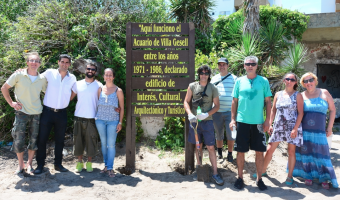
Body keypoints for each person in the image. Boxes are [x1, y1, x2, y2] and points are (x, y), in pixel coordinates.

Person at [230, 56, 272, 191]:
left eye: (253, 64)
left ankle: (259, 179)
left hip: (259, 123)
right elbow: (234, 101)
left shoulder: (263, 81)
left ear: (256, 66)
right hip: (242, 121)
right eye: (247, 64)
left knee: (260, 152)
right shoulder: (239, 81)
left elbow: (268, 102)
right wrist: (232, 119)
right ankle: (240, 178)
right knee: (240, 151)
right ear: (244, 66)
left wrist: (267, 120)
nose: (250, 66)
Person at [1, 52, 47, 174]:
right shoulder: (19, 75)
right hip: (21, 112)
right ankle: (20, 165)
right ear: (27, 62)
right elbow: (4, 88)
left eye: (36, 61)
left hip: (36, 113)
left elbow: (49, 92)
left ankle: (30, 164)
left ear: (40, 64)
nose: (34, 63)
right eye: (31, 60)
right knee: (18, 140)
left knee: (33, 140)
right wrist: (12, 103)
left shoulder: (42, 79)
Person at [292, 72, 338, 189]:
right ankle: (308, 176)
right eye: (305, 81)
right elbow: (297, 113)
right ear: (303, 84)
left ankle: (324, 177)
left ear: (315, 80)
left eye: (311, 80)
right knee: (306, 154)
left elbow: (333, 110)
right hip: (305, 131)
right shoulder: (301, 95)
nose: (309, 83)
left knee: (322, 155)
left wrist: (330, 127)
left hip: (320, 132)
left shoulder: (324, 92)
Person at [34, 54, 77, 174]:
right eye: (62, 62)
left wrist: (67, 100)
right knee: (42, 139)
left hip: (62, 113)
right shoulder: (49, 72)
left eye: (67, 62)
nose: (64, 64)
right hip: (47, 112)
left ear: (69, 64)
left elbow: (75, 90)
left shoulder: (72, 78)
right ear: (58, 62)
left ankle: (58, 164)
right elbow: (36, 79)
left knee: (60, 140)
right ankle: (40, 165)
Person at [260, 73, 304, 185]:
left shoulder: (298, 95)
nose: (289, 81)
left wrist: (295, 128)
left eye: (292, 79)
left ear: (295, 82)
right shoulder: (278, 94)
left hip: (292, 126)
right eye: (287, 79)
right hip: (278, 126)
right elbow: (273, 111)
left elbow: (300, 113)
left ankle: (290, 177)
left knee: (291, 151)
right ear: (284, 80)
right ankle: (262, 171)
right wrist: (270, 124)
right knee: (269, 149)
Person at [184, 65, 224, 186]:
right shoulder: (192, 86)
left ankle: (215, 173)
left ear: (209, 75)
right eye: (202, 72)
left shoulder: (213, 88)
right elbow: (186, 101)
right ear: (199, 74)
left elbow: (217, 106)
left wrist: (207, 114)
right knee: (198, 146)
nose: (204, 75)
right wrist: (190, 114)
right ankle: (199, 169)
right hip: (195, 122)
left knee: (211, 147)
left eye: (206, 73)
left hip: (208, 122)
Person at [70, 61, 102, 173]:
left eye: (93, 69)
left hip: (92, 118)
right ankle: (79, 162)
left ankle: (89, 163)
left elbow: (102, 102)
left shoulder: (99, 85)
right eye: (88, 69)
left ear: (95, 72)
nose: (90, 71)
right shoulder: (77, 84)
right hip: (78, 116)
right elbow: (69, 98)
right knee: (78, 140)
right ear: (85, 70)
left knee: (91, 141)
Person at [95, 68, 124, 178]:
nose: (108, 76)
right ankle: (106, 166)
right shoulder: (100, 89)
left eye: (110, 75)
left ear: (113, 77)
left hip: (113, 121)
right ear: (103, 76)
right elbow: (99, 104)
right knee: (103, 144)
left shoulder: (118, 90)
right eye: (106, 74)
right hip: (100, 120)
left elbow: (121, 108)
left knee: (111, 144)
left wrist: (120, 122)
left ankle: (110, 168)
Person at [211, 58, 237, 162]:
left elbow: (237, 96)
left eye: (224, 64)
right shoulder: (214, 79)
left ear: (228, 65)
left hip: (230, 113)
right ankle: (220, 153)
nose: (222, 67)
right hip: (216, 112)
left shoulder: (234, 79)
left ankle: (230, 154)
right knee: (218, 133)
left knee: (231, 134)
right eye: (220, 65)